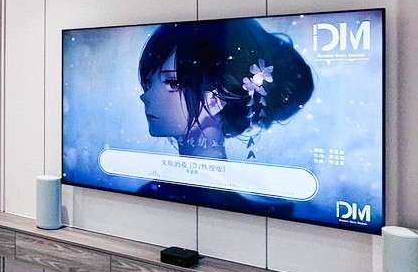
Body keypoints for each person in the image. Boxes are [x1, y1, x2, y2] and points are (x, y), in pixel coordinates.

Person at [135, 19, 314, 209]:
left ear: (215, 99)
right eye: (148, 82)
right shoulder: (157, 193)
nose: (145, 96)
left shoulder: (256, 207)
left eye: (172, 82)